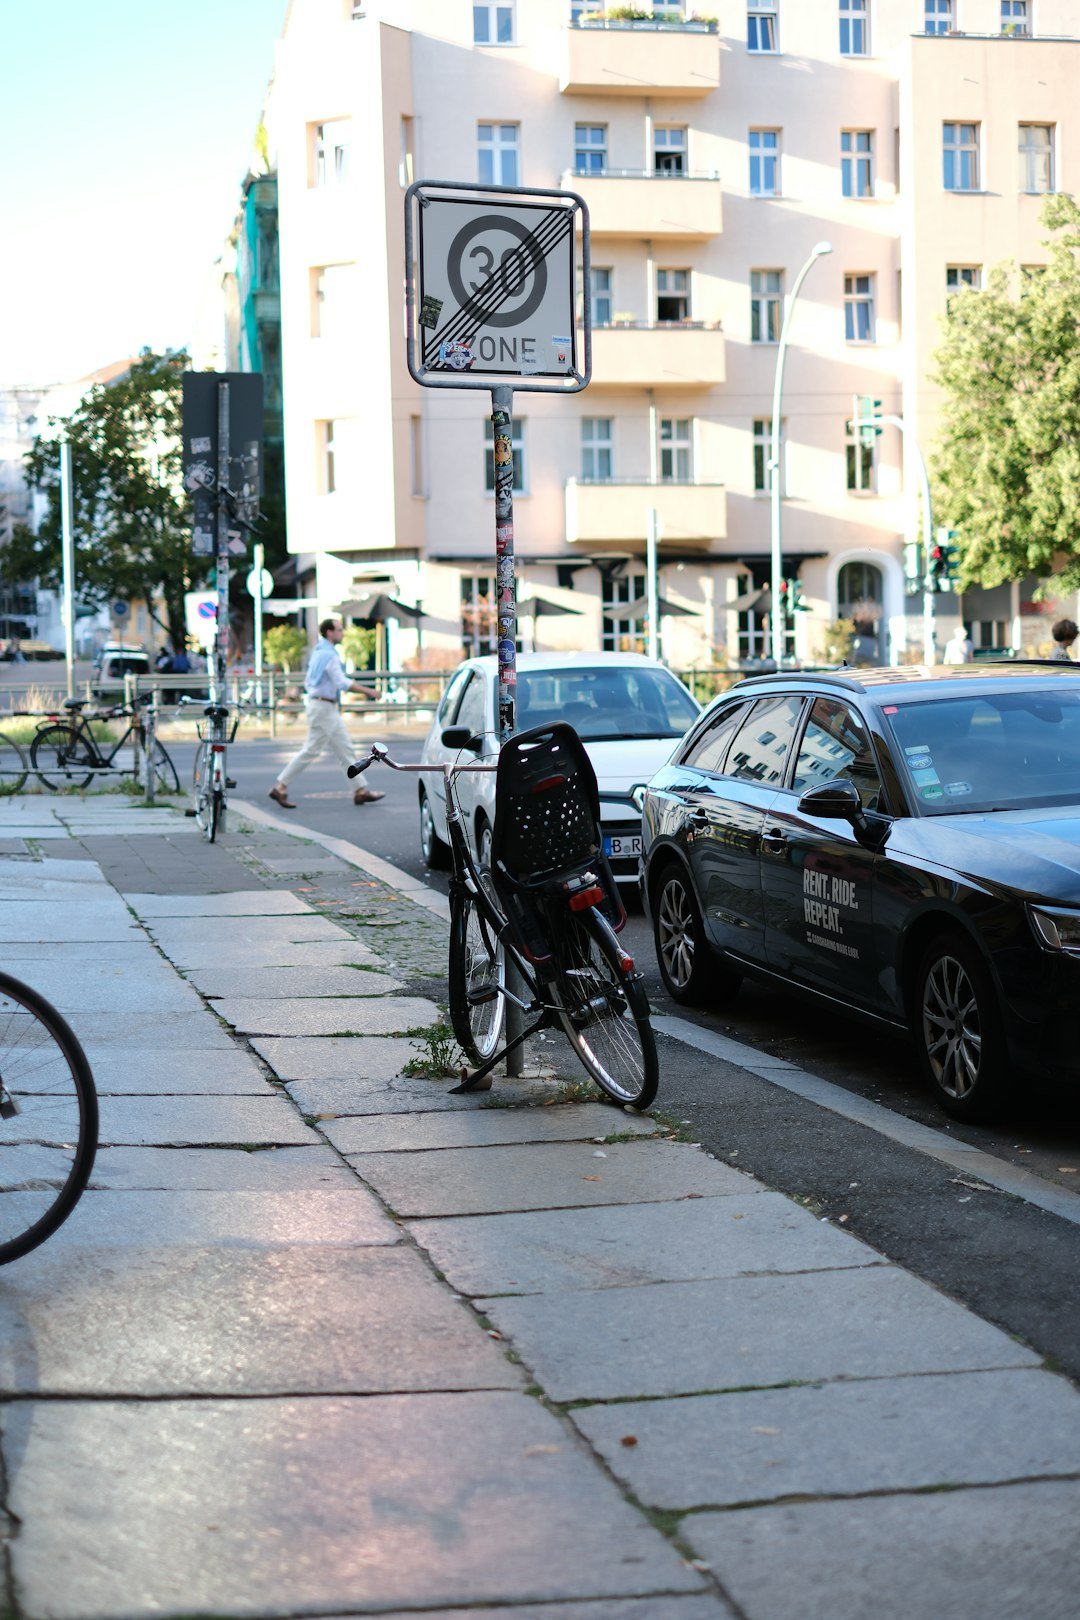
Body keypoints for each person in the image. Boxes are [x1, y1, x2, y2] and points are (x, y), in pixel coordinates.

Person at [269, 618, 384, 808]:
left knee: (344, 748)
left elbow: (311, 682)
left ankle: (360, 790)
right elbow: (342, 682)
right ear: (330, 632)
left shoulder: (319, 652)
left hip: (321, 707)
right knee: (313, 750)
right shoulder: (329, 655)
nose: (342, 633)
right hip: (323, 708)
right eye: (339, 630)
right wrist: (369, 691)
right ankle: (280, 787)